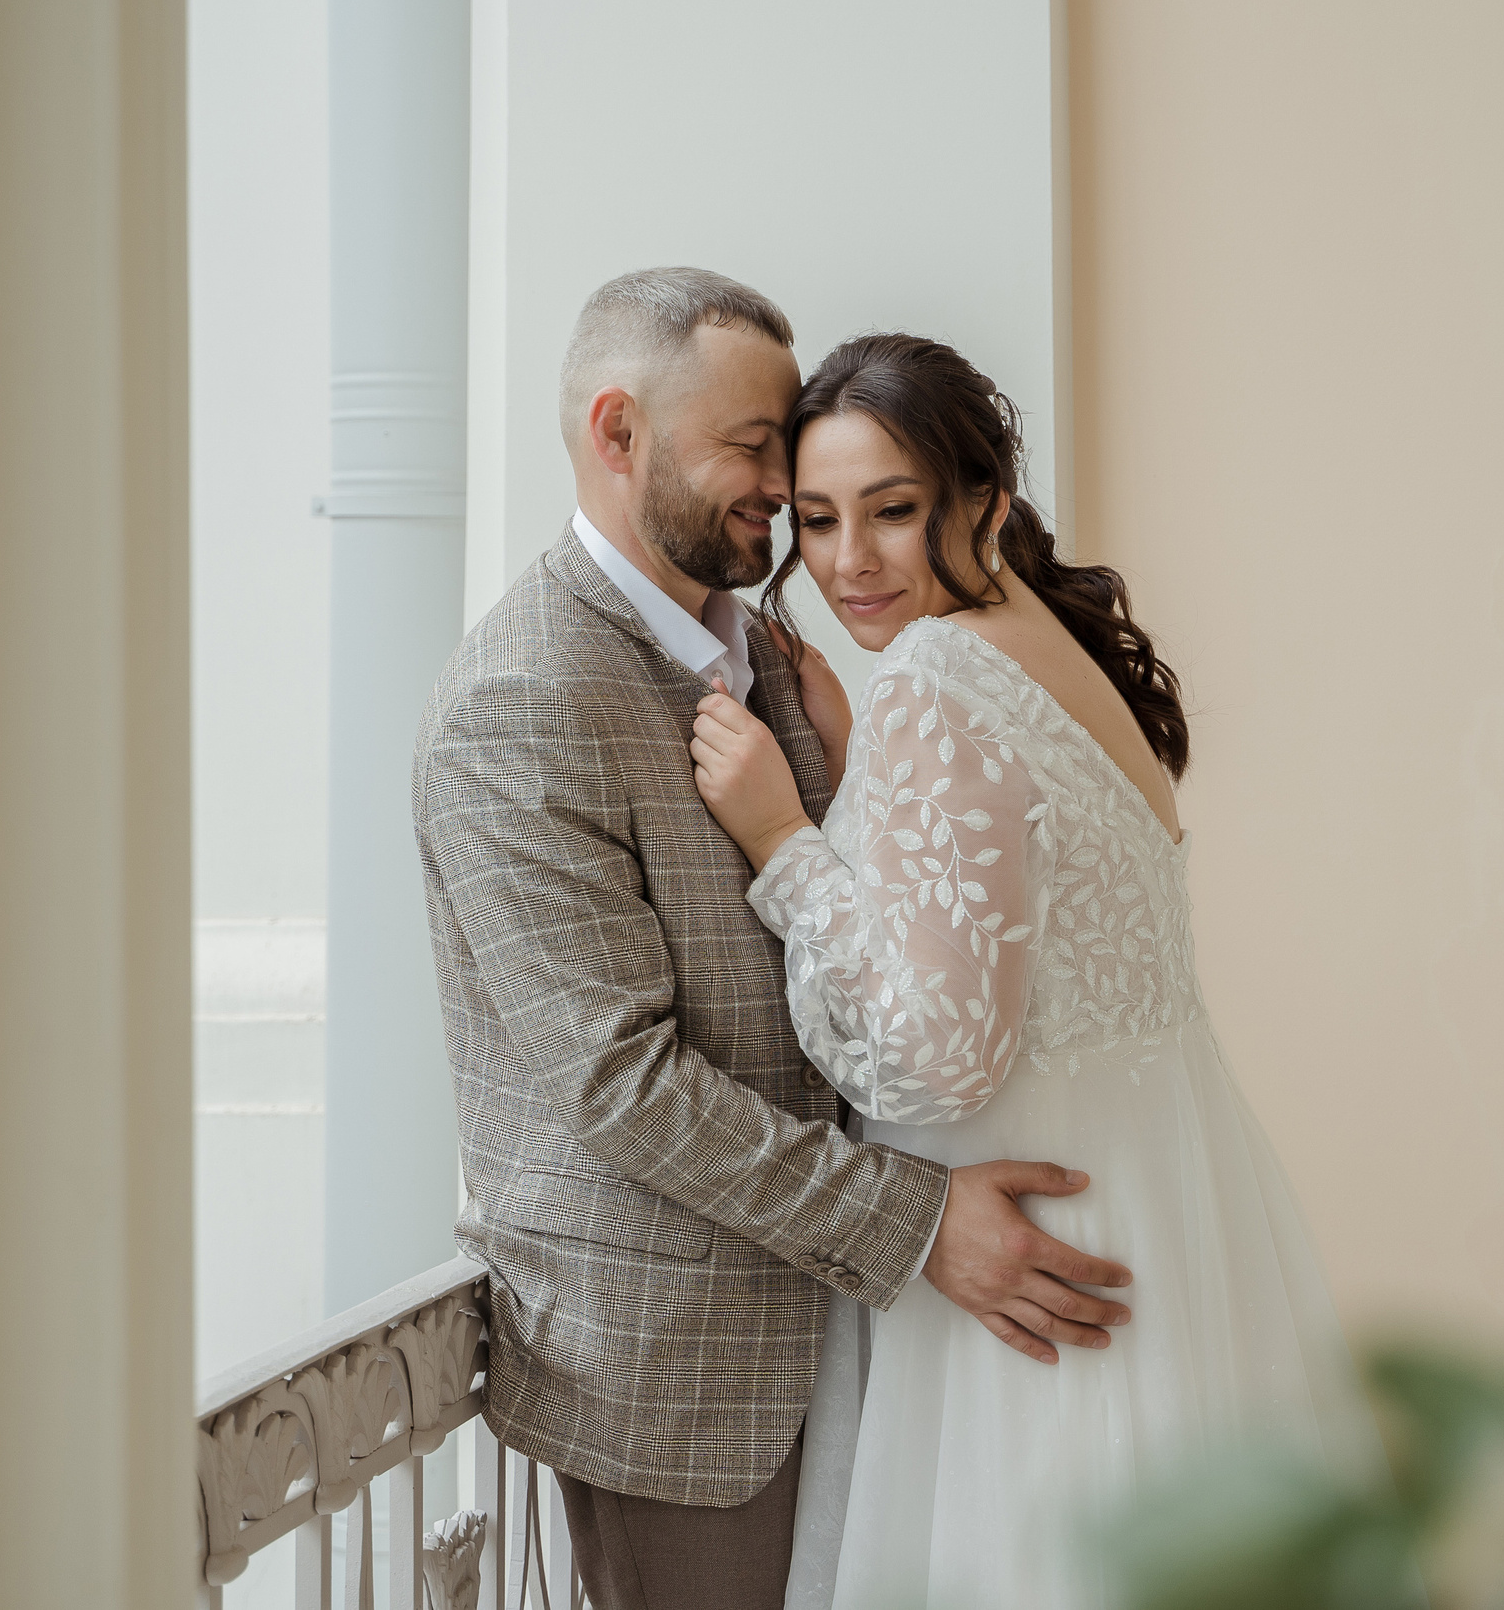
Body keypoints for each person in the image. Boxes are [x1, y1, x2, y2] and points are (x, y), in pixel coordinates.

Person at [411, 272, 1134, 1610]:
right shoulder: (520, 697)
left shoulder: (784, 649)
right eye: (754, 444)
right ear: (618, 431)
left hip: (866, 1336)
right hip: (686, 1383)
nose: (783, 476)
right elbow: (619, 1085)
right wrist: (917, 1224)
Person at [689, 333, 1380, 1609]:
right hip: (1161, 1199)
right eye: (819, 519)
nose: (847, 562)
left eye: (894, 512)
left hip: (1024, 1250)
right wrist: (860, 783)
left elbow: (937, 1056)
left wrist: (784, 840)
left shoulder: (937, 683)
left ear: (984, 503)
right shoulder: (1048, 647)